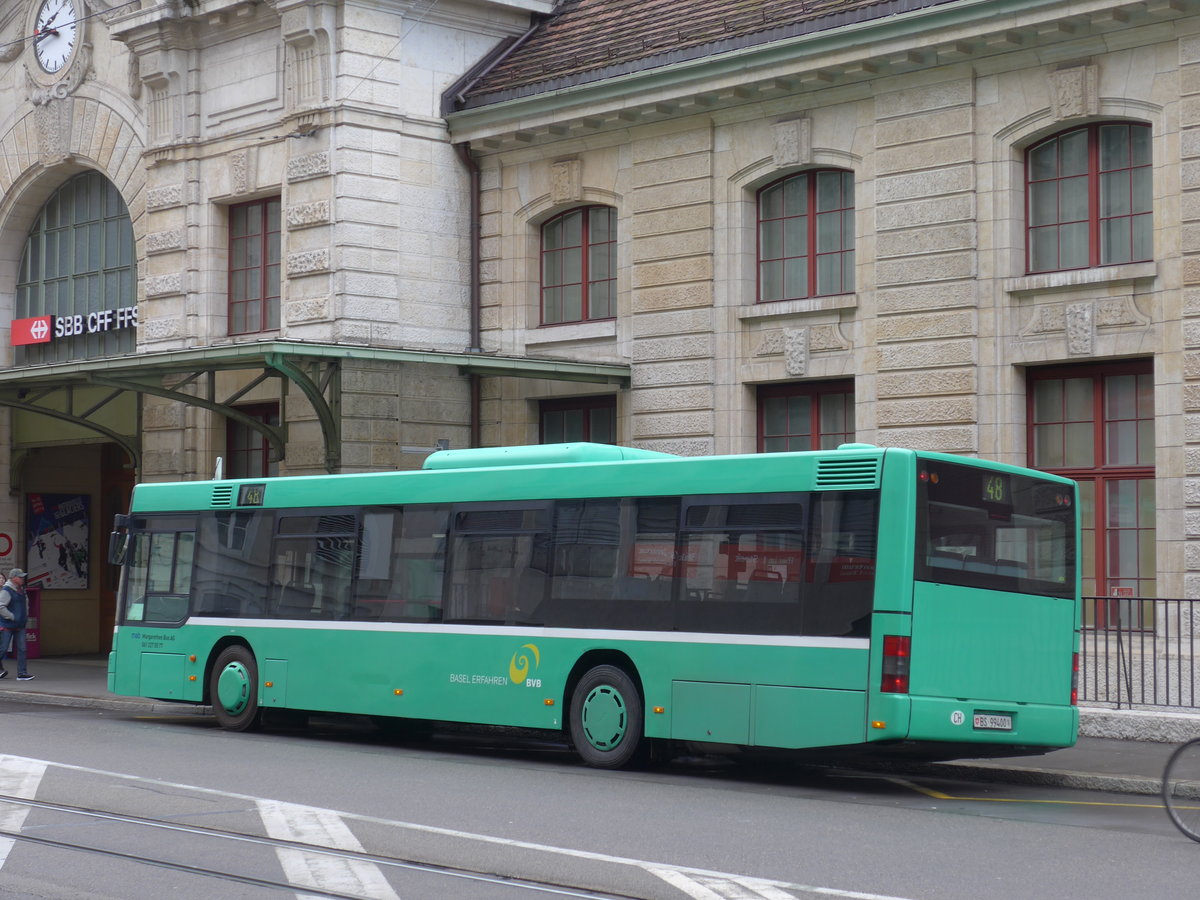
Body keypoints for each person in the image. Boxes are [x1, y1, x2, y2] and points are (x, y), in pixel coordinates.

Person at [0, 569, 33, 681]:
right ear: (13, 578)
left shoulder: (21, 590)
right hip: (8, 625)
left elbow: (26, 604)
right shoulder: (7, 590)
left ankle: (22, 673)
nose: (22, 579)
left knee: (22, 649)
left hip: (20, 625)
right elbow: (1, 606)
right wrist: (12, 616)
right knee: (3, 649)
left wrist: (25, 616)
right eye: (20, 577)